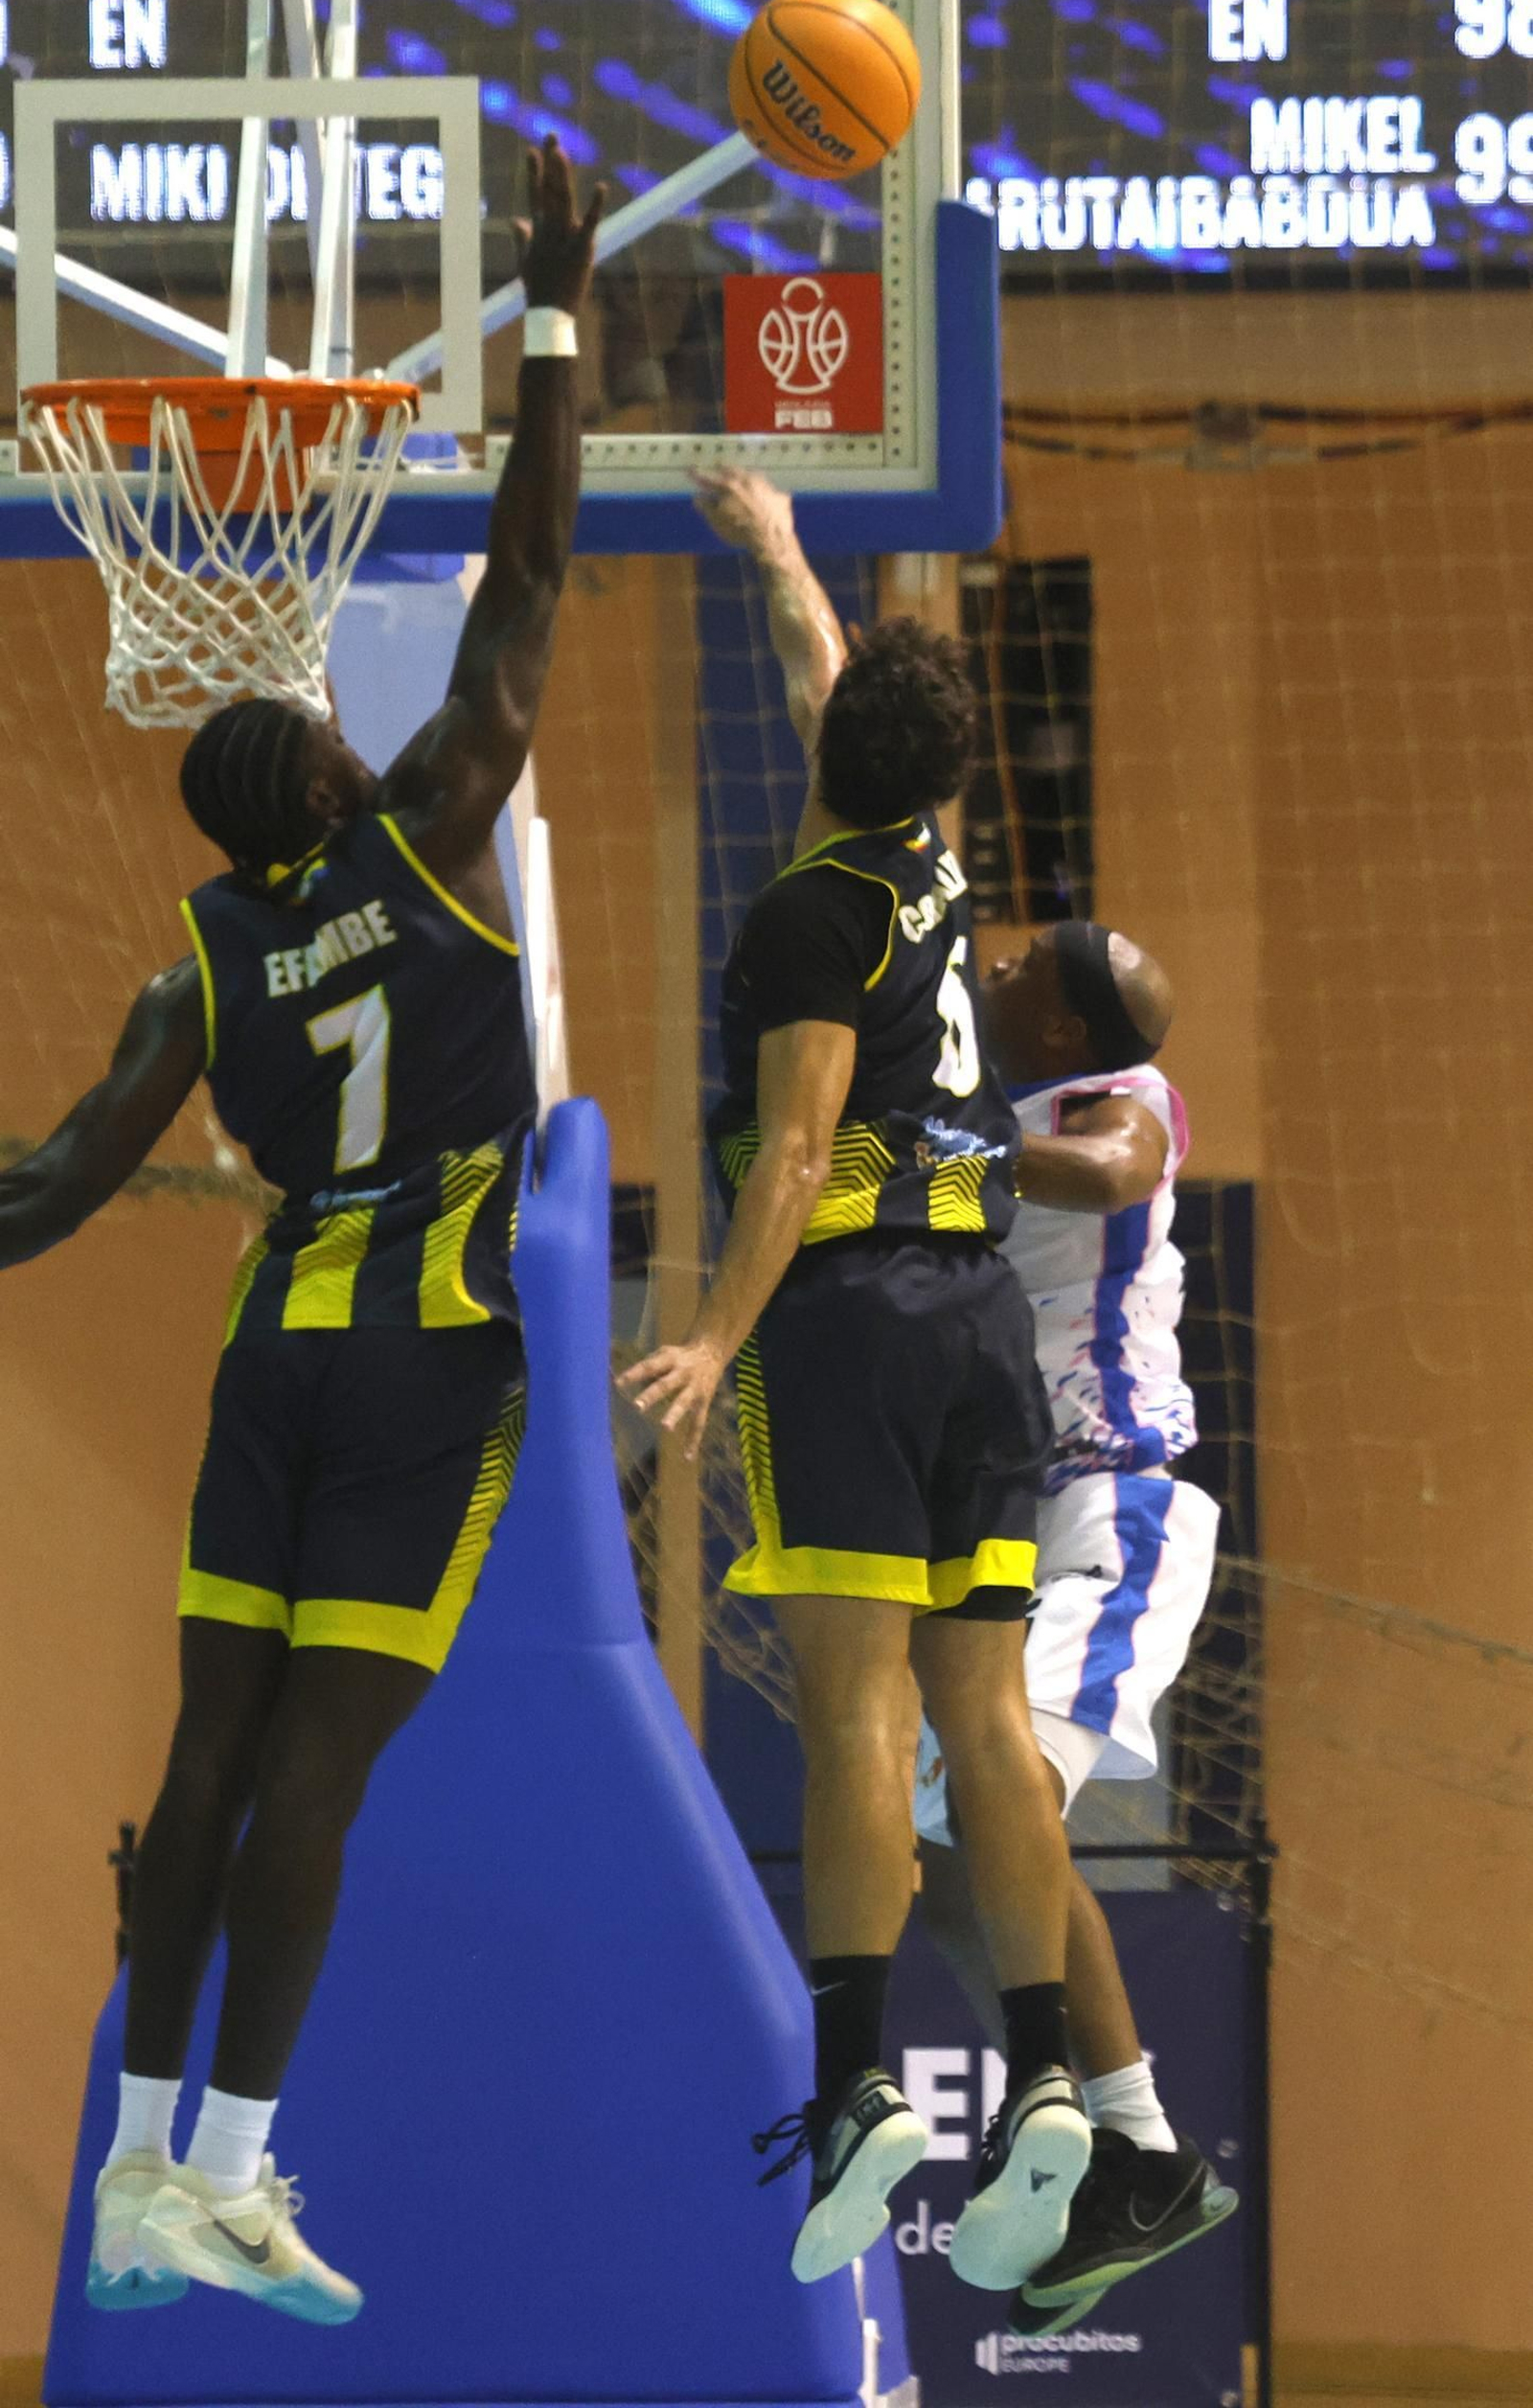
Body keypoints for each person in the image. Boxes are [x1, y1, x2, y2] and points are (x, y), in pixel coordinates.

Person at [0, 140, 603, 2323]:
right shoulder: (440, 835)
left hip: (272, 1358)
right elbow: (528, 560)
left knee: (208, 1768)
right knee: (320, 1784)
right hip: (420, 1362)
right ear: (339, 783)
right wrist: (553, 307)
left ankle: (144, 2157)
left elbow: (51, 1190)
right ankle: (235, 2171)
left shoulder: (192, 975)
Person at [624, 470, 1090, 2295]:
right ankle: (1046, 2074)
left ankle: (856, 2090)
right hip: (989, 1322)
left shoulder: (814, 915)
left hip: (857, 1320)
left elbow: (798, 1151)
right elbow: (843, 686)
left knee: (851, 1719)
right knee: (989, 1725)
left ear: (830, 758)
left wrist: (719, 1335)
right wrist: (786, 549)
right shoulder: (938, 859)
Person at [912, 922, 1237, 2332]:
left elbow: (1111, 1174)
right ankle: (1124, 2147)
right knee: (939, 1859)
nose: (1007, 946)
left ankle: (1135, 2143)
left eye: (1038, 951)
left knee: (994, 1822)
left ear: (1061, 1023)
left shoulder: (1124, 1104)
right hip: (1017, 1517)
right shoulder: (971, 1079)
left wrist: (931, 1154)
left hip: (1116, 1516)